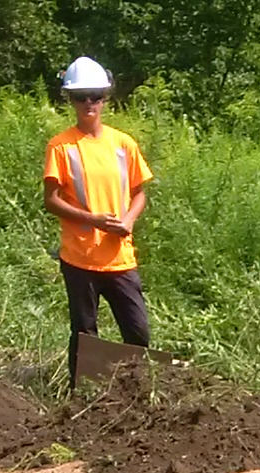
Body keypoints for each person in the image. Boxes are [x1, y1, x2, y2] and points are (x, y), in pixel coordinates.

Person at [42, 56, 154, 372]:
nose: (88, 103)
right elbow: (51, 200)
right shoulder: (61, 147)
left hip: (120, 257)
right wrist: (93, 220)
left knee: (137, 333)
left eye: (95, 95)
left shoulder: (124, 144)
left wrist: (129, 220)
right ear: (70, 99)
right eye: (80, 96)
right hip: (80, 258)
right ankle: (81, 403)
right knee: (84, 334)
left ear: (105, 98)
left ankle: (134, 393)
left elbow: (139, 193)